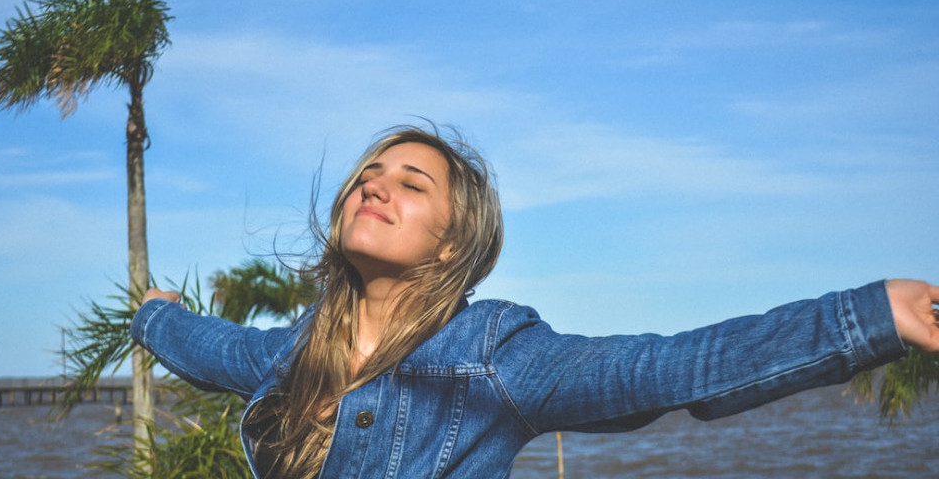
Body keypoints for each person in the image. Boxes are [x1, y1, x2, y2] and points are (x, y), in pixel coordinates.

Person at [132, 124, 939, 479]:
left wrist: (871, 315)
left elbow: (669, 370)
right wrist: (155, 314)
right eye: (371, 175)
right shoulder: (294, 349)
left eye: (413, 183)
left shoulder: (492, 356)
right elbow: (208, 347)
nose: (377, 184)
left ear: (452, 243)